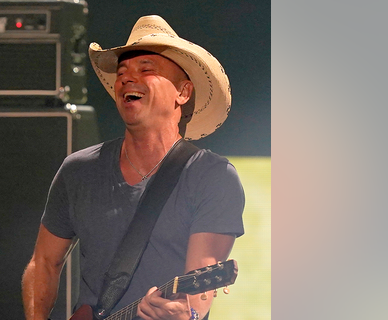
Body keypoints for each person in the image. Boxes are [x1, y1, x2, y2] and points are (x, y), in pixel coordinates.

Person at [22, 15, 244, 320]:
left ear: (183, 92)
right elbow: (43, 262)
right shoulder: (78, 171)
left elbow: (195, 298)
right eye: (122, 71)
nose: (126, 78)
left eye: (146, 69)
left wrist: (184, 315)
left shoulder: (213, 177)